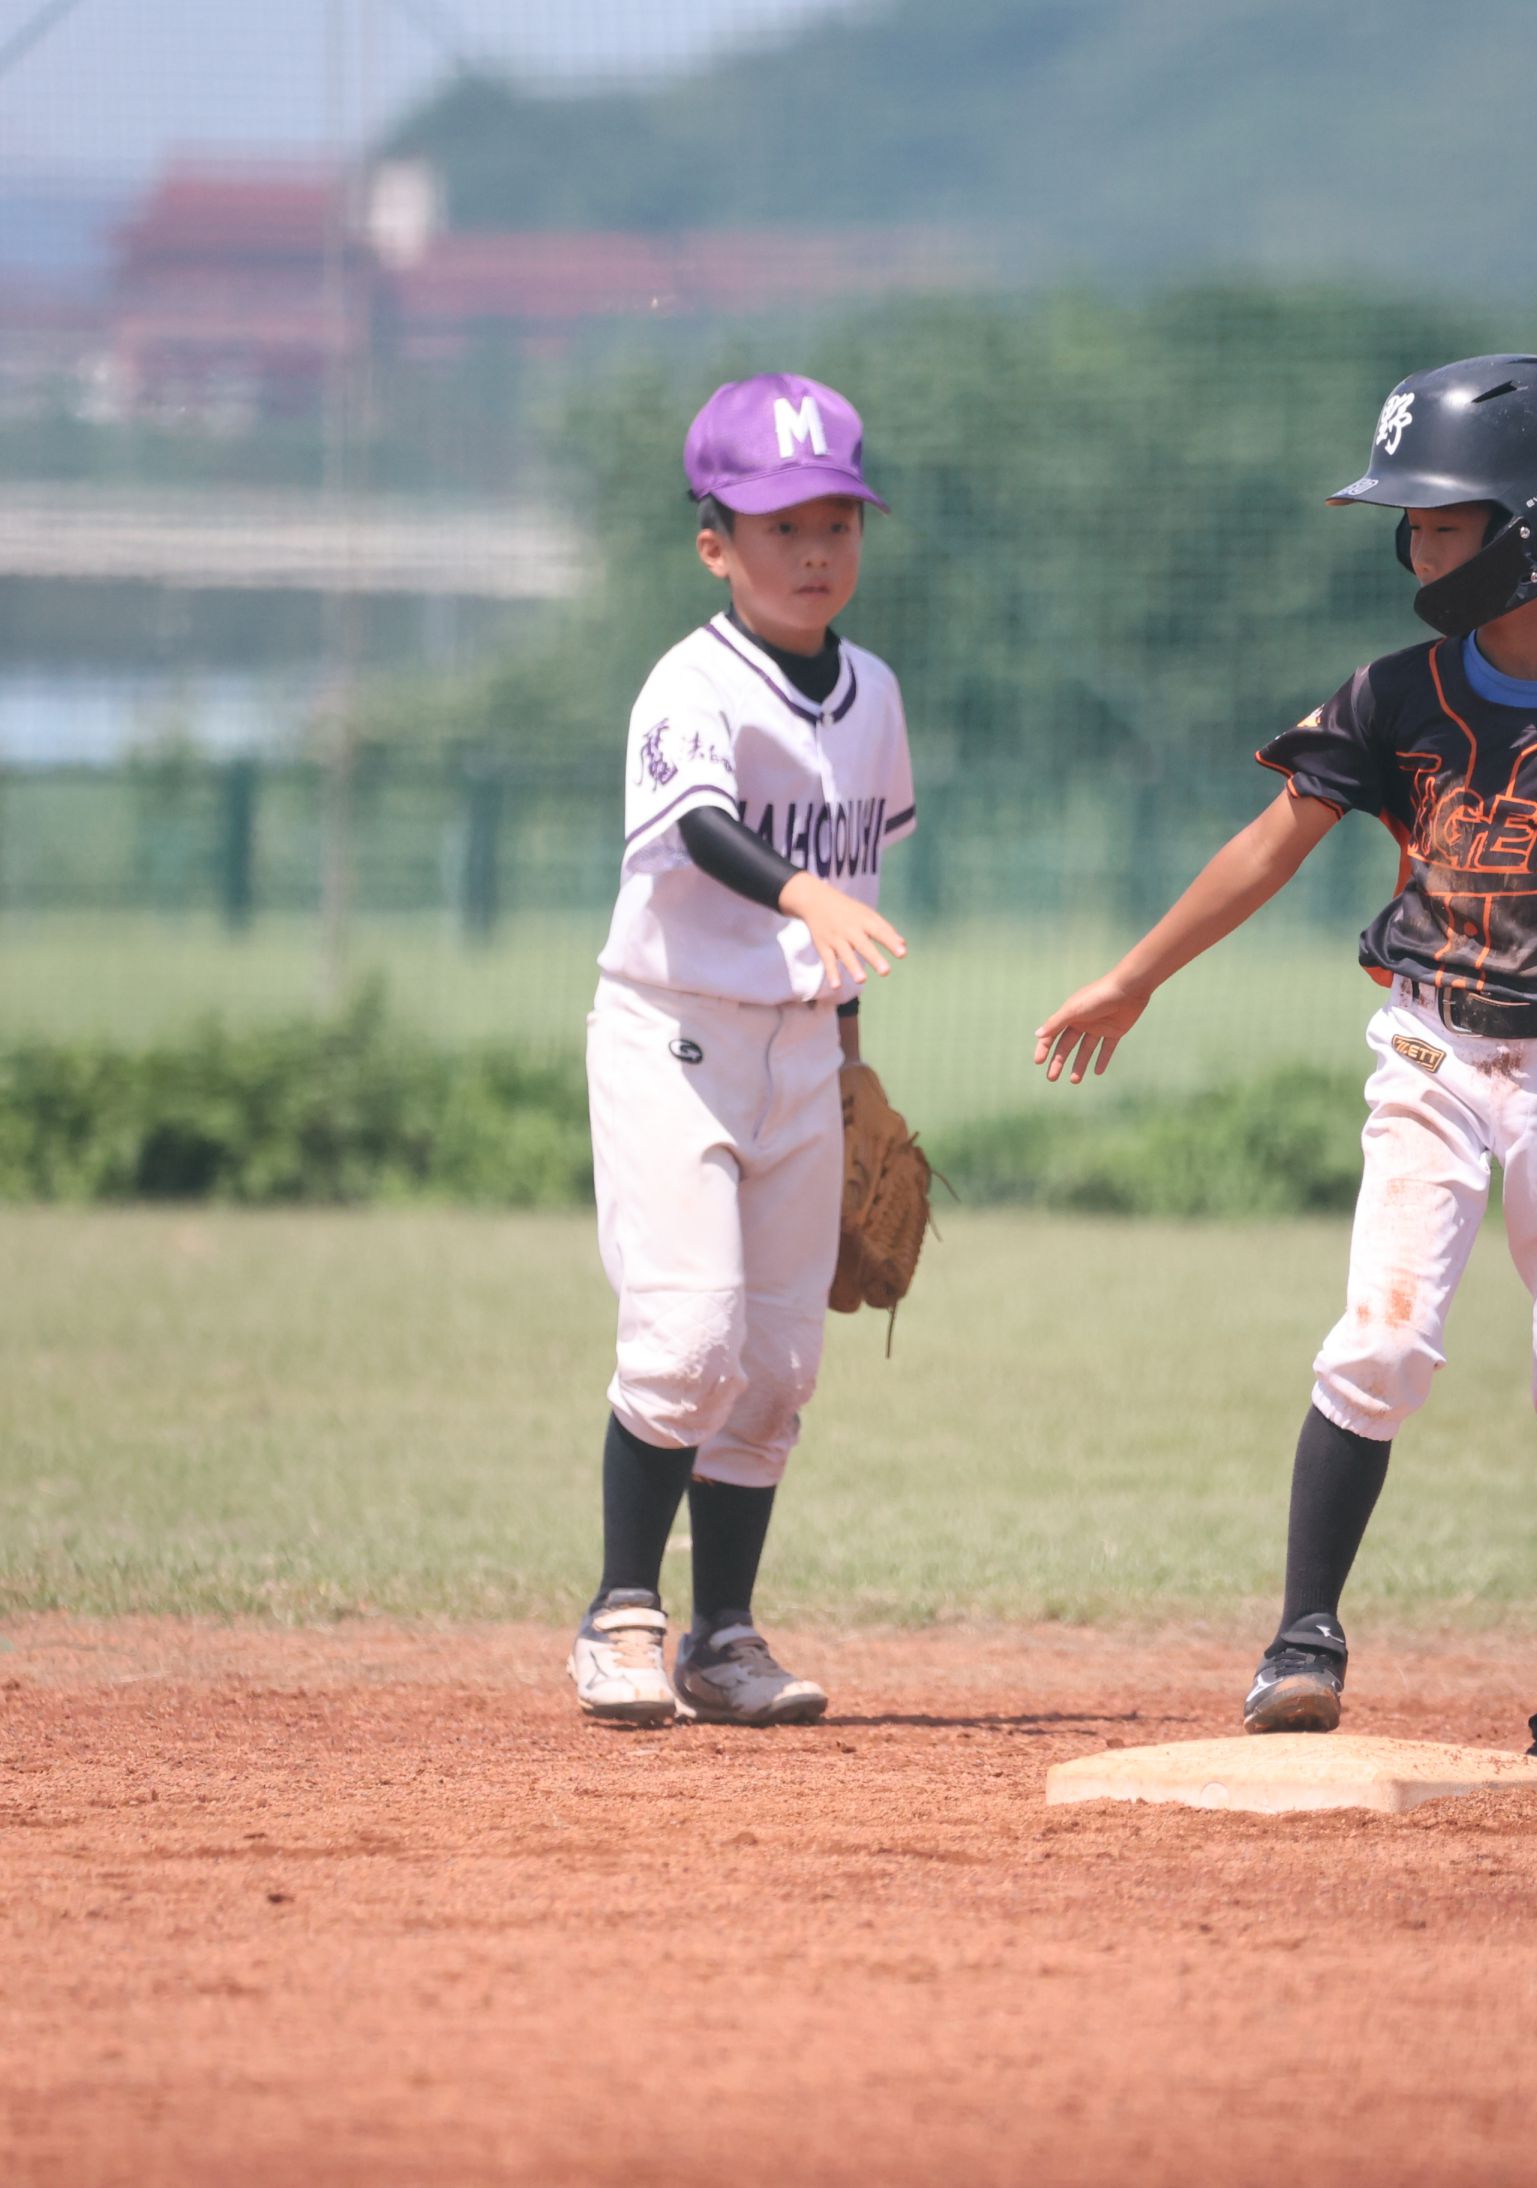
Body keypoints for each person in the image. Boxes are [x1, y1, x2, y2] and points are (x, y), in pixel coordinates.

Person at [1030, 357, 1537, 1802]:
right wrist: (1136, 976)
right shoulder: (1396, 696)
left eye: (1444, 521)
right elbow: (1270, 844)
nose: (1414, 546)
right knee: (1382, 1337)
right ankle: (1302, 1642)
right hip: (1429, 1046)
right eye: (1409, 521)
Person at [568, 372, 917, 1728]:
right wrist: (800, 893)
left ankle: (723, 1640)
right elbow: (701, 828)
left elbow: (855, 904)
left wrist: (852, 1069)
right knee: (688, 1341)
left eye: (836, 521)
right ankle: (620, 1616)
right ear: (714, 544)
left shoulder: (875, 692)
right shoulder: (692, 682)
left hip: (802, 1055)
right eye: (780, 527)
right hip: (673, 1038)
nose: (814, 550)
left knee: (776, 1367)